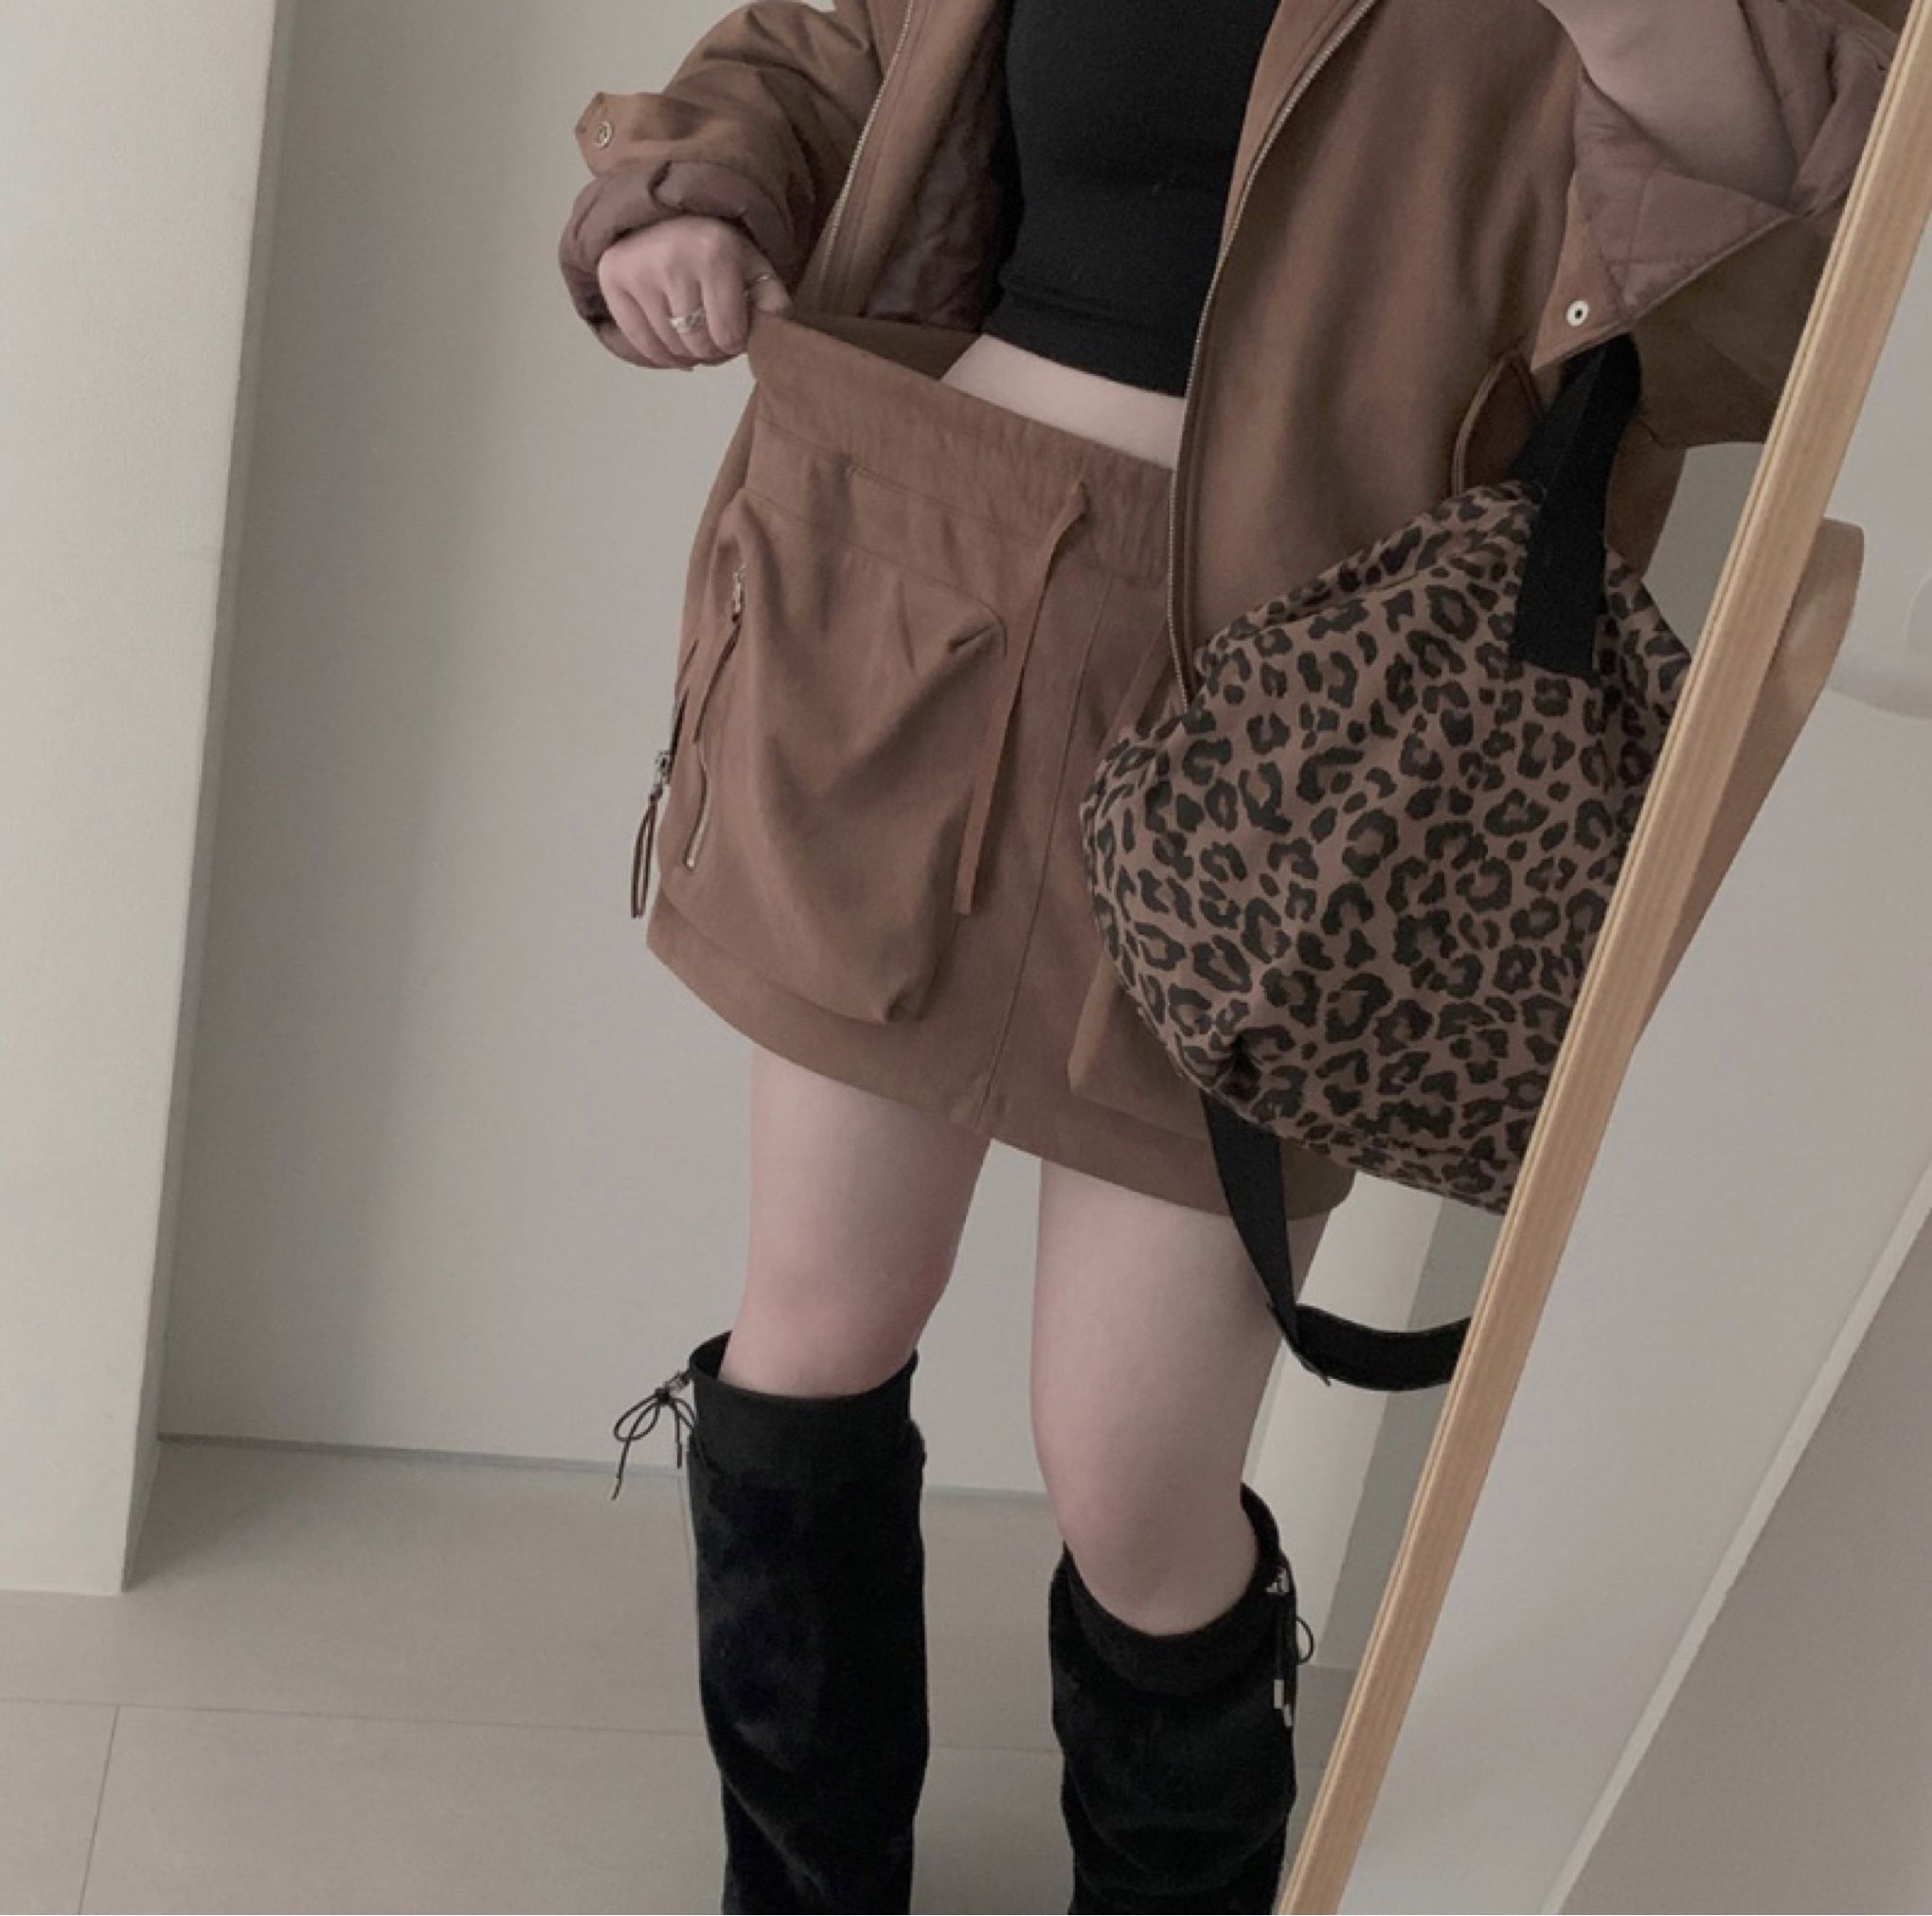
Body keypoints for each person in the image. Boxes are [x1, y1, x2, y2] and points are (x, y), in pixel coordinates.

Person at [557, 3, 1894, 1909]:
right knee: (813, 1335)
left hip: (1305, 719)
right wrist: (692, 196)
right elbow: (830, 37)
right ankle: (800, 1886)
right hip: (916, 596)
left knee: (1133, 1474)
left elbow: (1785, 254)